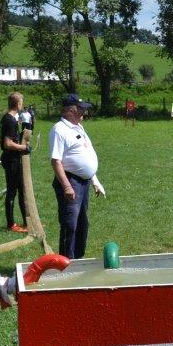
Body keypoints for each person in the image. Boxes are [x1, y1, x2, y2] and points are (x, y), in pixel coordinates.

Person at [50, 94, 106, 259]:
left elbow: (85, 154)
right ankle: (66, 262)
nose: (84, 112)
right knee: (70, 224)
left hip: (83, 182)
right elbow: (56, 161)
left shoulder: (78, 127)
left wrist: (95, 180)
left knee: (82, 223)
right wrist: (67, 186)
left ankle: (78, 259)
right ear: (70, 110)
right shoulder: (59, 130)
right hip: (70, 181)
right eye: (81, 109)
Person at [0, 92, 31, 234]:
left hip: (15, 159)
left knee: (22, 191)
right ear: (18, 103)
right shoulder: (10, 120)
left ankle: (28, 222)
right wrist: (23, 148)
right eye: (21, 102)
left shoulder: (10, 118)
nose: (22, 104)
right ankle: (11, 224)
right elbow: (7, 143)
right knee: (12, 191)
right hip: (11, 160)